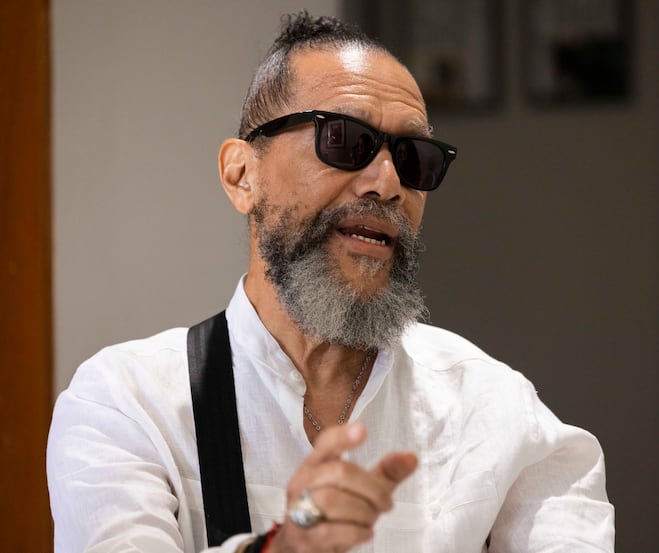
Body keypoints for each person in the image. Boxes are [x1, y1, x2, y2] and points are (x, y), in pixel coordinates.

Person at [47, 12, 615, 553]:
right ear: (241, 175)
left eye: (413, 158)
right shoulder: (130, 405)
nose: (387, 183)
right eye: (344, 140)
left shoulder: (491, 408)